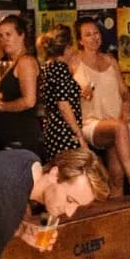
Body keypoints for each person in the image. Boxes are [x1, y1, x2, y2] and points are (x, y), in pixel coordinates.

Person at [70, 17, 130, 197]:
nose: (94, 37)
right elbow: (62, 90)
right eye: (87, 35)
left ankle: (116, 216)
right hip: (90, 123)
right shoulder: (74, 62)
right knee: (119, 128)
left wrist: (127, 108)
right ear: (80, 40)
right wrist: (78, 92)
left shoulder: (111, 61)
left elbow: (125, 93)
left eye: (96, 33)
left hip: (116, 122)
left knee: (116, 178)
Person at [0, 14, 42, 157]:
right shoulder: (13, 63)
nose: (4, 40)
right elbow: (8, 96)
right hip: (11, 138)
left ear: (21, 35)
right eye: (1, 36)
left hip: (22, 137)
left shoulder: (26, 61)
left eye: (8, 34)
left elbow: (29, 101)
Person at [37, 24, 86, 161]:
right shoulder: (60, 68)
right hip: (64, 132)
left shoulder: (48, 66)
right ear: (67, 47)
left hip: (53, 130)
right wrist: (79, 134)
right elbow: (63, 105)